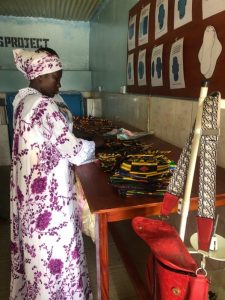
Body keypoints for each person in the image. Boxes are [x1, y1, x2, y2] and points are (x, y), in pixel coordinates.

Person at [10, 48, 102, 299]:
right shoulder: (41, 105)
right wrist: (96, 145)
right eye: (55, 77)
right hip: (49, 199)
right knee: (56, 251)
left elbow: (51, 138)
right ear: (39, 76)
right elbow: (73, 150)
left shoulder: (22, 101)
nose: (59, 83)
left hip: (31, 195)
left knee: (39, 253)